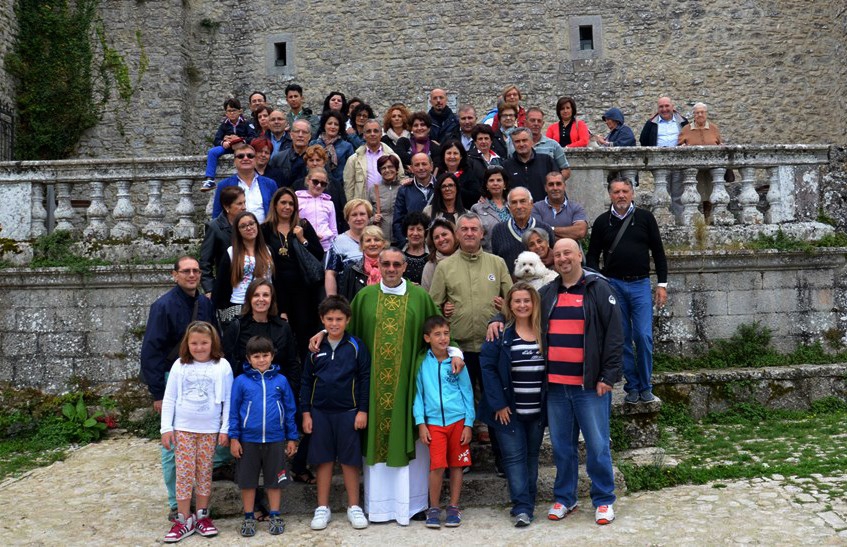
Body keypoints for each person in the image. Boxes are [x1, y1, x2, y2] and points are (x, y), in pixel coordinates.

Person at [488, 237, 624, 526]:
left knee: (598, 445)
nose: (562, 258)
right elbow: (519, 312)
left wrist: (608, 376)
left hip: (589, 385)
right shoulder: (548, 292)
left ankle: (603, 500)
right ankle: (565, 497)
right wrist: (494, 320)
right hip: (555, 387)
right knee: (563, 447)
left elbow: (614, 334)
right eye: (558, 254)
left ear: (579, 256)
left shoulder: (598, 288)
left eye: (568, 253)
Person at [141, 256, 222, 522]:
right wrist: (158, 393)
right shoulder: (162, 306)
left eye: (196, 271)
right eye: (185, 271)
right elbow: (151, 350)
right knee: (172, 443)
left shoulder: (205, 304)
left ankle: (197, 497)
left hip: (203, 377)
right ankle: (177, 502)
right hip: (171, 378)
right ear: (174, 275)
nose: (191, 275)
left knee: (206, 441)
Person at [429, 212, 512, 459]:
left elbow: (515, 300)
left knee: (496, 402)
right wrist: (443, 309)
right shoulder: (445, 267)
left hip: (491, 346)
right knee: (458, 406)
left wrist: (503, 307)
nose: (468, 233)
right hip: (458, 348)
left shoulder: (497, 263)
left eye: (473, 229)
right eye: (463, 229)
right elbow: (433, 306)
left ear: (482, 233)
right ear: (457, 234)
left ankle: (502, 458)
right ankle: (458, 459)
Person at [586, 177, 668, 403]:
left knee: (643, 336)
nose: (620, 195)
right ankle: (632, 386)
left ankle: (646, 385)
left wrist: (662, 284)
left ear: (632, 193)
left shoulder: (645, 218)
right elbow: (592, 254)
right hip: (614, 286)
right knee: (621, 338)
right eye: (616, 192)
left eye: (625, 191)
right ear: (610, 195)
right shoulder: (603, 222)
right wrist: (598, 280)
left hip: (641, 284)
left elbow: (659, 253)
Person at [301, 295, 371, 531]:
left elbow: (364, 378)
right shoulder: (314, 347)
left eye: (339, 319)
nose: (334, 323)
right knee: (323, 460)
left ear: (347, 320)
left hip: (349, 412)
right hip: (320, 412)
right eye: (329, 319)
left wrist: (362, 410)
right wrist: (306, 413)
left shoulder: (356, 346)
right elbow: (306, 382)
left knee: (351, 461)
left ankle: (354, 506)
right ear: (322, 320)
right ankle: (322, 507)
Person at [479, 282, 546, 527]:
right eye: (517, 301)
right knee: (515, 459)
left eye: (526, 301)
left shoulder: (543, 332)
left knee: (531, 457)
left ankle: (527, 501)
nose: (522, 305)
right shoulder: (499, 334)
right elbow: (487, 367)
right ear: (509, 304)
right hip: (508, 412)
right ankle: (522, 507)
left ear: (534, 303)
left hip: (537, 411)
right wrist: (498, 404)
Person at [160, 321, 233, 542]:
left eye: (204, 343)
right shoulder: (179, 366)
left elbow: (229, 400)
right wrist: (166, 428)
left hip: (209, 430)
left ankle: (202, 515)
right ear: (187, 344)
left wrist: (225, 428)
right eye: (194, 343)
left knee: (204, 472)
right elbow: (169, 398)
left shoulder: (222, 366)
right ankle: (184, 519)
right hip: (183, 429)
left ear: (212, 343)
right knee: (183, 473)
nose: (199, 347)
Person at [228, 335, 298, 537]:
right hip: (248, 440)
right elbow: (233, 411)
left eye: (265, 355)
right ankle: (249, 516)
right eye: (256, 356)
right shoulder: (240, 381)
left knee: (275, 479)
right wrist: (234, 438)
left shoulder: (281, 381)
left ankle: (275, 514)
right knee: (248, 480)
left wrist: (292, 437)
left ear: (272, 356)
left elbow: (290, 409)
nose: (261, 360)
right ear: (248, 358)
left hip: (276, 439)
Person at [414, 315, 474, 529]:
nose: (443, 338)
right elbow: (418, 396)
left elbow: (467, 392)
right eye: (437, 334)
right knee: (437, 466)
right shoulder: (422, 364)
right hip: (434, 424)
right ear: (427, 338)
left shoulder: (457, 362)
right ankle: (434, 507)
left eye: (446, 334)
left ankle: (454, 506)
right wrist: (421, 423)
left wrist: (469, 423)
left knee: (457, 465)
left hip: (458, 421)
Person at [261, 187, 324, 360]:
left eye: (291, 203)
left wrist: (303, 239)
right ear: (275, 205)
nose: (287, 207)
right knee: (281, 332)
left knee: (304, 329)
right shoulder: (265, 229)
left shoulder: (302, 225)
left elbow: (318, 254)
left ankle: (306, 372)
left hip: (302, 288)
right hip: (277, 288)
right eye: (283, 203)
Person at [213, 211, 273, 328]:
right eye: (243, 226)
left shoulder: (268, 251)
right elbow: (221, 284)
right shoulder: (231, 252)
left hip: (264, 304)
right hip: (239, 306)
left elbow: (274, 280)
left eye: (251, 224)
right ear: (238, 231)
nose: (249, 228)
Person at [491, 187, 555, 276]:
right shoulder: (498, 230)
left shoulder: (545, 228)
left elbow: (553, 257)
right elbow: (495, 262)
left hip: (542, 285)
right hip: (510, 287)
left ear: (531, 204)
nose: (519, 206)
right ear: (509, 207)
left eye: (523, 201)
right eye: (514, 202)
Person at [211, 142, 277, 222]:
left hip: (264, 232)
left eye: (250, 156)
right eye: (240, 156)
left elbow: (276, 212)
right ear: (234, 161)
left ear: (255, 159)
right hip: (234, 233)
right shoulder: (224, 185)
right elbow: (217, 216)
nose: (245, 158)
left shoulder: (270, 184)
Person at [201, 98, 256, 192]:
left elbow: (253, 137)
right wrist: (223, 143)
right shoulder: (224, 125)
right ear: (226, 113)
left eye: (234, 110)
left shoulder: (247, 123)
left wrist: (240, 140)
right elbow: (216, 139)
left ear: (240, 111)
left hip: (242, 147)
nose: (231, 113)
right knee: (212, 152)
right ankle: (210, 179)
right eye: (229, 111)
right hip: (228, 148)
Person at [200, 186, 246, 297]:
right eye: (239, 204)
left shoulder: (249, 224)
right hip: (226, 287)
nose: (244, 207)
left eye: (244, 202)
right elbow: (205, 262)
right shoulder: (214, 227)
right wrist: (209, 289)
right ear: (227, 207)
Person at [344, 118, 404, 201]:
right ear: (364, 135)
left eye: (376, 131)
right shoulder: (353, 160)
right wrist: (352, 207)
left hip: (389, 204)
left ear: (381, 134)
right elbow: (349, 188)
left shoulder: (393, 157)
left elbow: (401, 180)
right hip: (363, 206)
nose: (372, 134)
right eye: (368, 131)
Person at [325, 198, 373, 296]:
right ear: (347, 219)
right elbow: (330, 273)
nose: (358, 218)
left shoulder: (377, 239)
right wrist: (332, 301)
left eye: (362, 214)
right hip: (348, 296)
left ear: (368, 217)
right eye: (354, 215)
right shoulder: (338, 242)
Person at [502, 128, 559, 202]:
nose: (521, 144)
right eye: (517, 141)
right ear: (513, 144)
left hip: (544, 210)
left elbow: (558, 185)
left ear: (532, 141)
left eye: (524, 140)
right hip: (518, 210)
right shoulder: (506, 165)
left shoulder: (546, 161)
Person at [392, 152, 436, 246]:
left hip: (436, 243)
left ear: (431, 166)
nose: (421, 168)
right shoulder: (404, 190)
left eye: (424, 164)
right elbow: (398, 221)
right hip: (412, 245)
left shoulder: (441, 187)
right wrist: (405, 243)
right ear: (411, 168)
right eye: (417, 165)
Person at [531, 171, 588, 242]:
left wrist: (550, 229)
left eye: (558, 184)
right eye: (551, 184)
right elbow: (538, 234)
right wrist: (570, 235)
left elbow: (580, 232)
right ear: (545, 188)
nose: (555, 188)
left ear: (564, 186)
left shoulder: (576, 208)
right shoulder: (535, 208)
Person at [337, 225, 387, 301]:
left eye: (376, 240)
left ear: (383, 244)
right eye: (368, 240)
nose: (373, 243)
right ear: (362, 245)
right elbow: (344, 301)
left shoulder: (392, 268)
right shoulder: (352, 270)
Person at [295, 166, 337, 252]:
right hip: (304, 245)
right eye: (315, 182)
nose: (318, 186)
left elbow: (333, 229)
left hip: (326, 247)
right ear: (307, 181)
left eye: (323, 184)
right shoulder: (297, 200)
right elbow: (294, 224)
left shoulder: (329, 203)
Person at [471, 166, 511, 252]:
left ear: (505, 184)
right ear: (486, 185)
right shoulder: (477, 209)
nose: (495, 183)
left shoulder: (514, 205)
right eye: (491, 180)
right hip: (489, 256)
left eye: (499, 180)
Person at [525, 107, 572, 179]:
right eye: (532, 120)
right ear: (525, 122)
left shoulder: (553, 145)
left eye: (539, 121)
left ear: (543, 123)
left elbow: (566, 169)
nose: (536, 123)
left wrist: (554, 183)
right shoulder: (517, 145)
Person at [310, 110, 355, 184]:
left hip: (339, 186)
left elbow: (351, 170)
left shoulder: (347, 146)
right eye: (329, 123)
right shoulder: (314, 144)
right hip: (317, 184)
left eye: (336, 124)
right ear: (324, 125)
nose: (333, 127)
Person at [266, 119, 313, 189]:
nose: (300, 135)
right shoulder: (278, 158)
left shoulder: (316, 159)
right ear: (291, 135)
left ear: (310, 136)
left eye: (304, 132)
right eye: (297, 131)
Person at [463, 124, 502, 206]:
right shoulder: (468, 159)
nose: (483, 141)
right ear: (475, 142)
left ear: (491, 141)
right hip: (478, 202)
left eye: (486, 138)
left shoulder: (499, 159)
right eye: (480, 139)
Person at [368, 154, 402, 244]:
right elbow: (365, 216)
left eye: (390, 167)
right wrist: (372, 220)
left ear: (397, 169)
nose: (387, 170)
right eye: (383, 168)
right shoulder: (373, 189)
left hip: (401, 239)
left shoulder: (404, 188)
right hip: (380, 239)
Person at [420, 218, 458, 291]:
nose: (441, 239)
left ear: (454, 234)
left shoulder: (467, 257)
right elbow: (427, 297)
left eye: (444, 234)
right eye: (436, 237)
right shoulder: (430, 266)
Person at [401, 211, 429, 284]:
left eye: (419, 229)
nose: (415, 233)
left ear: (425, 232)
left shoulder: (432, 255)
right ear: (406, 232)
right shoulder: (398, 253)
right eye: (411, 229)